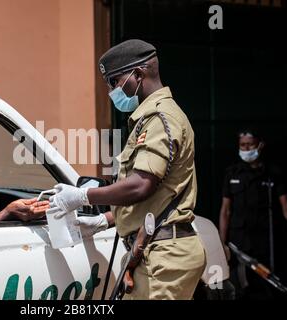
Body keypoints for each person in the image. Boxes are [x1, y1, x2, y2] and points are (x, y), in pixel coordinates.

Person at [47, 39, 206, 300]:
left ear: (139, 74)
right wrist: (106, 220)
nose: (112, 91)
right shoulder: (150, 118)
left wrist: (81, 197)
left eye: (114, 81)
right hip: (154, 252)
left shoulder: (159, 118)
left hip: (163, 258)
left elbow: (141, 185)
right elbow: (160, 193)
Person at [219, 130, 287, 299]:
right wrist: (221, 243)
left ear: (260, 144)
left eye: (249, 145)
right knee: (240, 289)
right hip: (239, 245)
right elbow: (225, 210)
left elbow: (286, 208)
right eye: (242, 145)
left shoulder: (273, 173)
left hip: (267, 245)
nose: (246, 148)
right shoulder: (232, 173)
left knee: (269, 290)